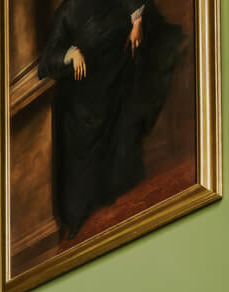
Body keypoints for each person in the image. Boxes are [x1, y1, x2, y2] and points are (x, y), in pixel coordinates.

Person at [39, 0, 184, 237]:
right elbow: (46, 62)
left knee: (124, 177)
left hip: (115, 92)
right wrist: (71, 54)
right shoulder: (68, 11)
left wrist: (137, 22)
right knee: (81, 202)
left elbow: (138, 4)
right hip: (80, 109)